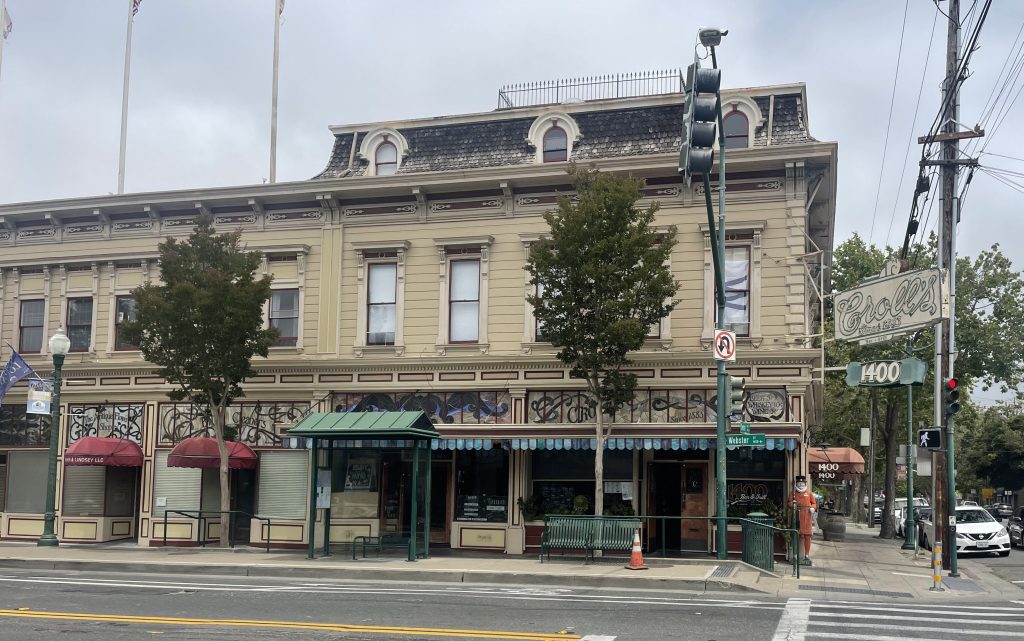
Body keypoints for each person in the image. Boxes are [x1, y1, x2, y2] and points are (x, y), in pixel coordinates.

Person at [791, 475, 818, 566]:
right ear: (796, 484)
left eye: (802, 483)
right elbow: (788, 502)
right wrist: (793, 504)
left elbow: (814, 503)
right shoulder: (793, 494)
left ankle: (807, 554)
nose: (801, 485)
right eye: (799, 483)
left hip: (807, 516)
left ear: (805, 484)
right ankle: (795, 554)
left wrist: (813, 508)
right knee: (796, 535)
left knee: (807, 536)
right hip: (797, 515)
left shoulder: (809, 493)